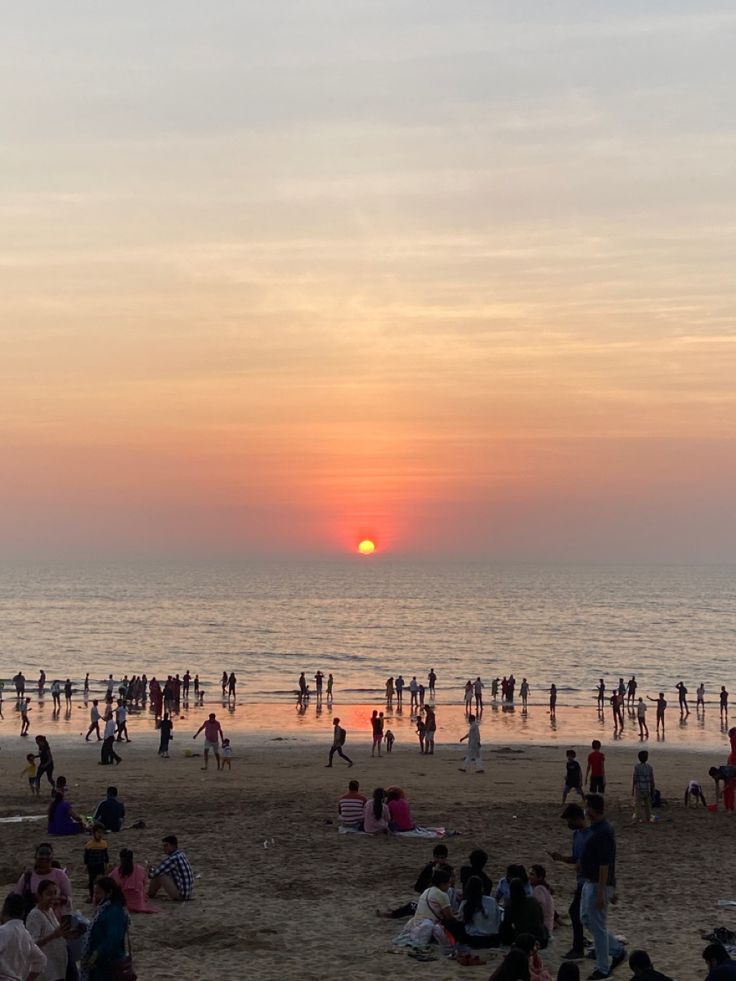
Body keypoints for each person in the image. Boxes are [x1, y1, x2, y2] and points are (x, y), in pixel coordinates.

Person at [580, 793, 626, 980]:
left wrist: (602, 892)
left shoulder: (603, 832)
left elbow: (605, 865)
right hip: (591, 882)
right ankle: (616, 949)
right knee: (586, 919)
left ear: (593, 809)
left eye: (587, 807)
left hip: (598, 885)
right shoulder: (597, 828)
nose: (585, 811)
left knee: (597, 927)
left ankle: (603, 968)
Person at [548, 802, 591, 960]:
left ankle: (578, 947)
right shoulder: (577, 835)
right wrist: (560, 858)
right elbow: (575, 858)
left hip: (589, 880)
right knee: (581, 913)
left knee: (576, 912)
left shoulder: (590, 835)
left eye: (569, 821)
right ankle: (581, 945)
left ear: (577, 818)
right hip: (581, 880)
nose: (568, 824)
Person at [80, 876, 129, 981]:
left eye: (98, 893)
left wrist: (97, 953)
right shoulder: (105, 908)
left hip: (108, 962)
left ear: (109, 893)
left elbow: (114, 938)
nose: (95, 896)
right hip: (101, 961)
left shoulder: (114, 911)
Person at [25, 879, 71, 981]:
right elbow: (32, 945)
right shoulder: (35, 915)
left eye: (55, 893)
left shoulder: (50, 911)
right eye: (49, 894)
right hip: (45, 970)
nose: (53, 897)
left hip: (57, 967)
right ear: (39, 896)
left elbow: (56, 933)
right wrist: (53, 935)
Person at [14, 844, 73, 917]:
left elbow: (68, 899)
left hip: (55, 919)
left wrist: (53, 899)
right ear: (35, 857)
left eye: (48, 854)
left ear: (52, 857)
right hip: (31, 918)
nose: (44, 857)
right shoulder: (27, 877)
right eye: (41, 854)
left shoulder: (60, 875)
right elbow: (16, 899)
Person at [0, 892, 47, 981]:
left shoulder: (3, 932)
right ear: (23, 913)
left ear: (4, 910)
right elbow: (41, 960)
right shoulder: (25, 935)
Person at [499, 878, 547, 948]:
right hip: (541, 940)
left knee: (503, 927)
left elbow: (507, 923)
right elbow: (541, 918)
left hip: (524, 941)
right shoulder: (533, 900)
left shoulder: (511, 906)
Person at [110, 849, 160, 914]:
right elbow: (144, 884)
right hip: (138, 904)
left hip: (122, 903)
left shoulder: (115, 872)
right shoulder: (140, 869)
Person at [458, 874, 501, 948]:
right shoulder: (492, 901)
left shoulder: (465, 904)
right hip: (493, 939)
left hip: (475, 940)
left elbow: (462, 921)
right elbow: (498, 920)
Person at [148, 835, 194, 901]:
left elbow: (153, 875)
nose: (164, 848)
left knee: (160, 874)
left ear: (173, 846)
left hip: (181, 896)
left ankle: (150, 894)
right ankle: (150, 894)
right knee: (161, 872)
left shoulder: (173, 859)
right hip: (186, 894)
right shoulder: (181, 854)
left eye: (166, 845)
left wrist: (149, 869)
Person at [83, 824, 110, 901]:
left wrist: (106, 864)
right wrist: (85, 865)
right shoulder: (89, 844)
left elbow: (106, 855)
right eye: (98, 833)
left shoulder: (104, 844)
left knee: (102, 881)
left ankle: (102, 896)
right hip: (92, 866)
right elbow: (86, 856)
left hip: (100, 865)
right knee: (91, 881)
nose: (100, 835)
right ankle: (92, 896)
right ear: (94, 833)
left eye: (102, 833)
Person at [529, 865, 555, 939]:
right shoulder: (545, 889)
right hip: (547, 930)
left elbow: (539, 909)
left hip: (542, 931)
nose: (529, 877)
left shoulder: (538, 889)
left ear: (540, 877)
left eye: (532, 874)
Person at [632, 750, 655, 824]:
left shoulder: (637, 767)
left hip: (639, 788)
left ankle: (638, 818)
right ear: (647, 758)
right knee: (648, 805)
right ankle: (648, 817)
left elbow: (635, 778)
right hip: (647, 788)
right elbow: (652, 779)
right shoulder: (649, 767)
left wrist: (633, 788)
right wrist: (653, 789)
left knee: (638, 805)